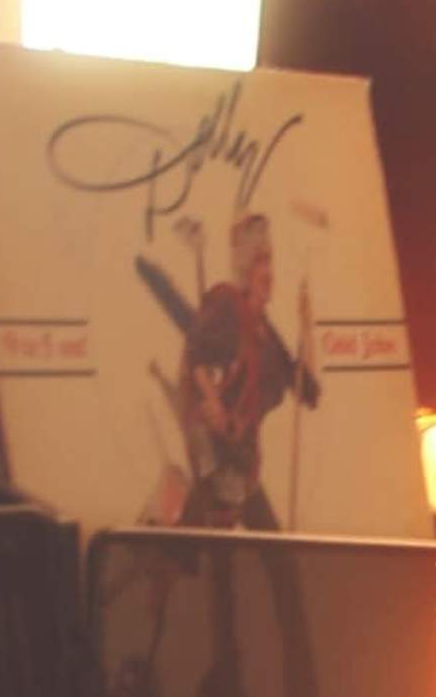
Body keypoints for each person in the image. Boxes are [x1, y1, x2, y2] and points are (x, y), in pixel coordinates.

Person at [133, 209, 319, 531]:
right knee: (228, 554)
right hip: (219, 458)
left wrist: (307, 325)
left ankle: (169, 551)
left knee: (260, 556)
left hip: (243, 463)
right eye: (261, 265)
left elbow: (306, 388)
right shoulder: (226, 303)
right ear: (247, 270)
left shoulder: (268, 335)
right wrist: (214, 404)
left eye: (270, 264)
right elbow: (197, 356)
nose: (268, 274)